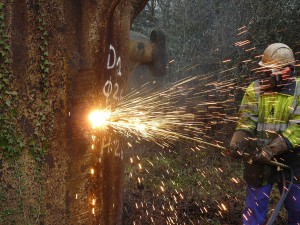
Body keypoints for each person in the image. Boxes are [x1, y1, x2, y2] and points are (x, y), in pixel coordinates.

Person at [230, 43, 300, 225]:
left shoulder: (299, 91)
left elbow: (297, 129)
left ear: (286, 71)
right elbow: (246, 120)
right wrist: (238, 140)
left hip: (293, 160)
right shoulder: (255, 89)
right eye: (264, 70)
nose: (265, 76)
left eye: (270, 71)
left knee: (297, 208)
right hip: (260, 158)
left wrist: (272, 149)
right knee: (253, 208)